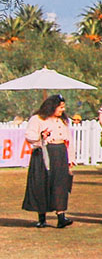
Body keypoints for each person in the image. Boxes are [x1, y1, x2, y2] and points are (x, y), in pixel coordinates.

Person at [22, 94, 73, 228]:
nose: (62, 110)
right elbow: (29, 135)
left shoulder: (62, 121)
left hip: (60, 152)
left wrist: (70, 159)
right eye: (60, 107)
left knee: (60, 183)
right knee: (42, 183)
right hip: (43, 152)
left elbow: (69, 140)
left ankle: (61, 216)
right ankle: (42, 217)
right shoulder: (38, 119)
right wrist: (41, 136)